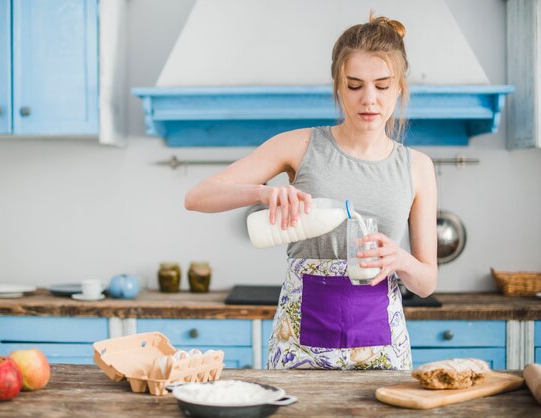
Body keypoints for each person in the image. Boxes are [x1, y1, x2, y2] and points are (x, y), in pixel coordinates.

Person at [184, 14, 437, 370]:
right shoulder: (300, 146)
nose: (369, 99)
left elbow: (427, 283)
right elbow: (197, 197)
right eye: (354, 85)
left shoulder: (418, 167)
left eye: (382, 86)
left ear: (399, 87)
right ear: (337, 85)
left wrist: (402, 260)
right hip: (298, 349)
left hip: (383, 353)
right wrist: (262, 193)